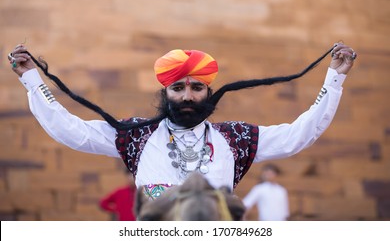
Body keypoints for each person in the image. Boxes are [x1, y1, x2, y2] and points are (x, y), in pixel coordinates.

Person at [7, 43, 357, 201]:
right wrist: (32, 80)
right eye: (178, 88)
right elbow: (71, 131)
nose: (187, 96)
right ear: (166, 92)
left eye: (196, 87)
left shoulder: (235, 138)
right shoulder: (137, 136)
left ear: (209, 92)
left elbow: (300, 134)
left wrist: (334, 80)